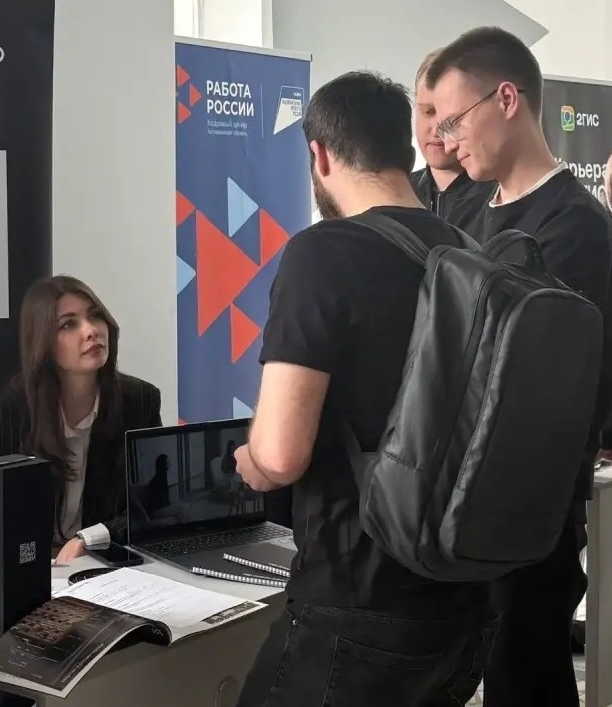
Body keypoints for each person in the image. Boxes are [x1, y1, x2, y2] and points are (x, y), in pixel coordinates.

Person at [231, 71, 495, 707]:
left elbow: (280, 455)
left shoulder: (321, 254)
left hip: (356, 602)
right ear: (404, 146)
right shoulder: (470, 253)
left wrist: (251, 462)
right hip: (463, 602)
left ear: (319, 156)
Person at [425, 26, 612, 707]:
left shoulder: (574, 227)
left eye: (454, 119)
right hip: (459, 500)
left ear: (506, 99)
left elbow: (553, 391)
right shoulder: (470, 212)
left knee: (524, 680)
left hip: (527, 514)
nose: (445, 139)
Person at [0, 275, 162, 564]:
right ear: (42, 342)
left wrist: (90, 538)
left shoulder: (139, 400)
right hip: (28, 569)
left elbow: (153, 502)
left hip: (106, 564)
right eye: (68, 324)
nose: (91, 331)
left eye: (95, 316)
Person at [410, 47, 496, 231]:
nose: (438, 129)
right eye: (428, 112)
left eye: (452, 115)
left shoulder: (501, 199)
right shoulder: (399, 195)